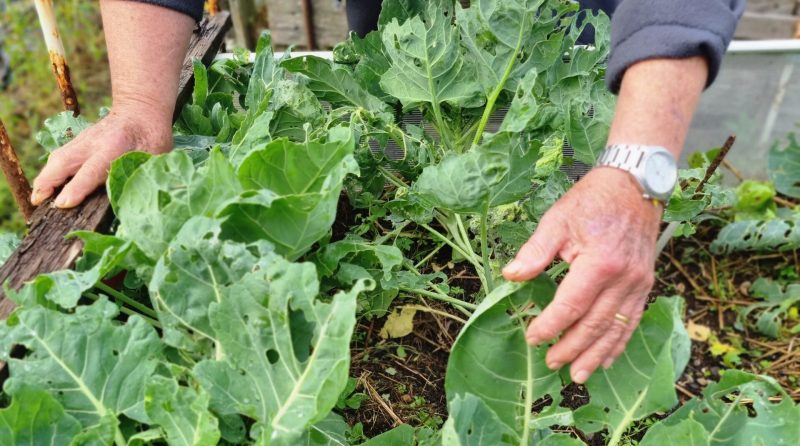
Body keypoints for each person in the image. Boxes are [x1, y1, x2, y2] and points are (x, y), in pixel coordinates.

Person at [30, 0, 745, 383]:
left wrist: (635, 166)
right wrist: (136, 104)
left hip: (589, 68)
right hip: (414, 52)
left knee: (573, 218)